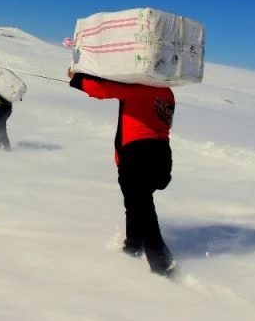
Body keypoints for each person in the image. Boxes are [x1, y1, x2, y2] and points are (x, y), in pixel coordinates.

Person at [68, 67, 177, 277]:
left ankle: (162, 265)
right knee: (136, 204)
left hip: (138, 154)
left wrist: (77, 78)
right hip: (162, 157)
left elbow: (101, 90)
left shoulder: (140, 88)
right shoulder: (167, 93)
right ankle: (133, 246)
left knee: (141, 207)